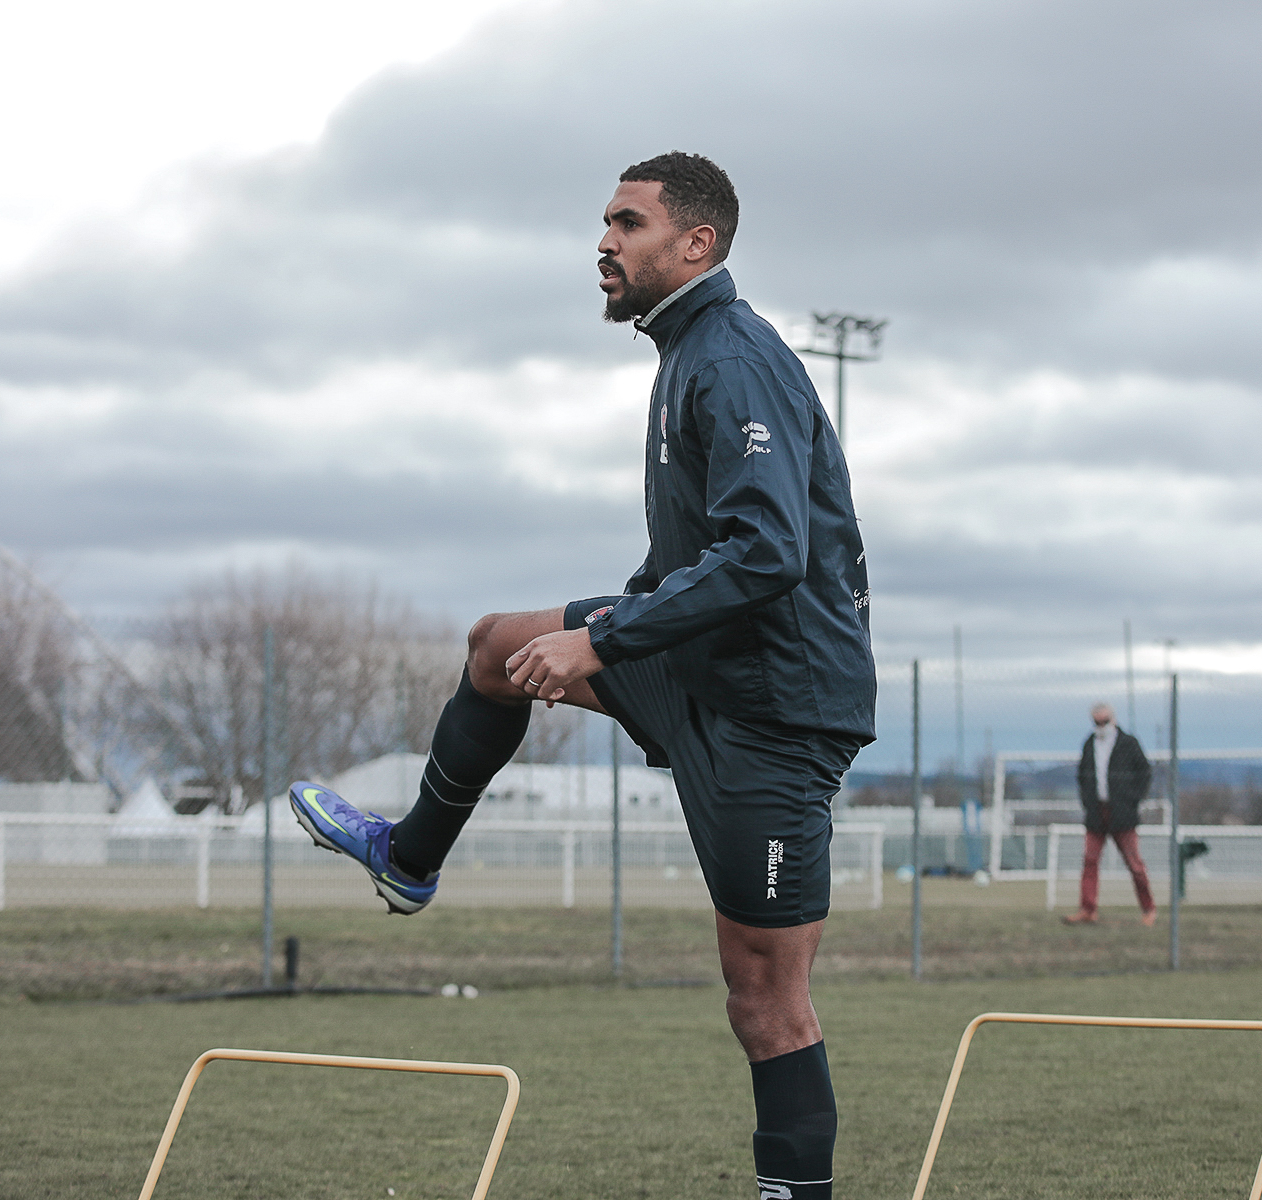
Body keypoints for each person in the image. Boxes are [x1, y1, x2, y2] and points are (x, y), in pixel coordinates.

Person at [289, 151, 875, 1200]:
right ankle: (409, 860)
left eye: (628, 223)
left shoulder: (735, 358)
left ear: (695, 244)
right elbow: (693, 556)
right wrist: (619, 623)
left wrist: (603, 642)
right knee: (496, 649)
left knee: (763, 999)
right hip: (698, 667)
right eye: (605, 222)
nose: (603, 242)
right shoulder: (683, 353)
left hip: (773, 713)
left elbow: (767, 552)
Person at [1064, 703, 1156, 926]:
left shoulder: (1128, 743)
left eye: (1104, 721)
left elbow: (1145, 772)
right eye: (1097, 722)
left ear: (1113, 719)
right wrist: (1088, 801)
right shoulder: (1089, 744)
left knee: (1134, 863)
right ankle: (1087, 909)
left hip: (1123, 814)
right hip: (1096, 813)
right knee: (1090, 861)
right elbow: (1082, 776)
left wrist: (1132, 800)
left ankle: (1148, 909)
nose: (1101, 726)